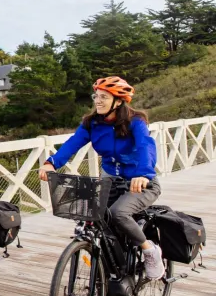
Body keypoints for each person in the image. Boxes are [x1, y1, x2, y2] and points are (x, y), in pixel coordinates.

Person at [38, 76, 164, 279]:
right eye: (96, 96)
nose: (98, 100)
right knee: (96, 224)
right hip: (110, 182)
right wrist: (51, 162)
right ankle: (109, 280)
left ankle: (150, 250)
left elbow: (145, 146)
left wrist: (143, 174)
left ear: (119, 101)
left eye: (104, 97)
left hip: (141, 184)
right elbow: (72, 143)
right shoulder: (92, 123)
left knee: (118, 214)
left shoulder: (136, 121)